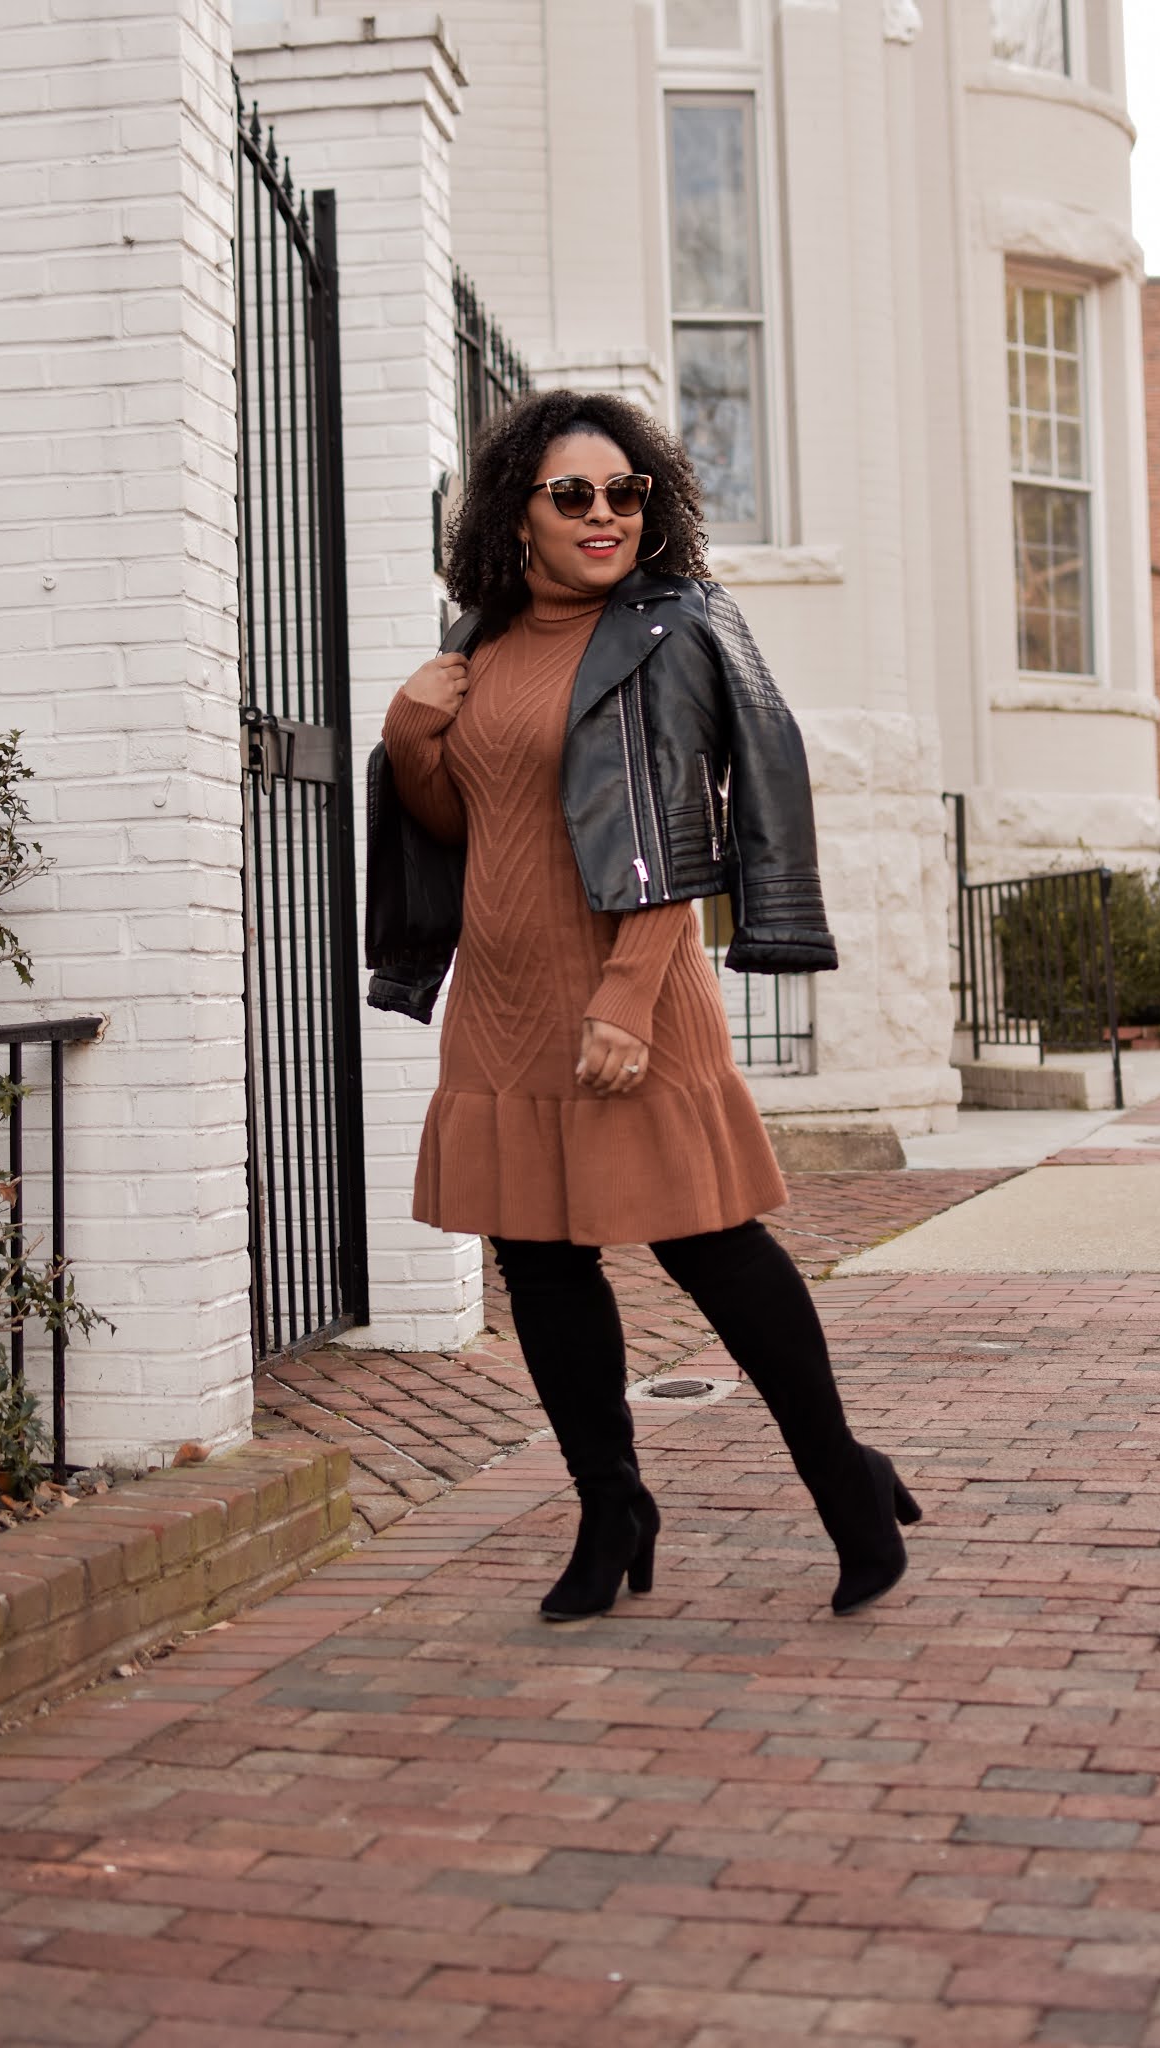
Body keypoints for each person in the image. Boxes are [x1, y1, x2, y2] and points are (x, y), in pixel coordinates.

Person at [372, 388, 919, 1623]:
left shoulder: (664, 632)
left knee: (709, 1244)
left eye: (625, 493)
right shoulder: (480, 646)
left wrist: (624, 998)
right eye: (574, 494)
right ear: (519, 512)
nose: (605, 514)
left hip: (632, 988)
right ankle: (610, 1503)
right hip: (503, 997)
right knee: (543, 1263)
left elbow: (678, 829)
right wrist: (413, 740)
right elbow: (470, 831)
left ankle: (844, 1481)